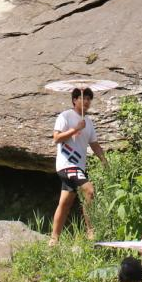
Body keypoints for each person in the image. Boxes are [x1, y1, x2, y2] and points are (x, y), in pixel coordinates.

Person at [51, 86, 107, 245]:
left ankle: (53, 240)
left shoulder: (88, 122)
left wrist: (104, 160)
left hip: (78, 167)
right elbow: (56, 138)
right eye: (83, 98)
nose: (86, 101)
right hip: (66, 164)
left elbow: (94, 144)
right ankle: (91, 232)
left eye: (89, 99)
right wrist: (75, 129)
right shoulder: (65, 116)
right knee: (89, 190)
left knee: (65, 203)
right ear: (74, 100)